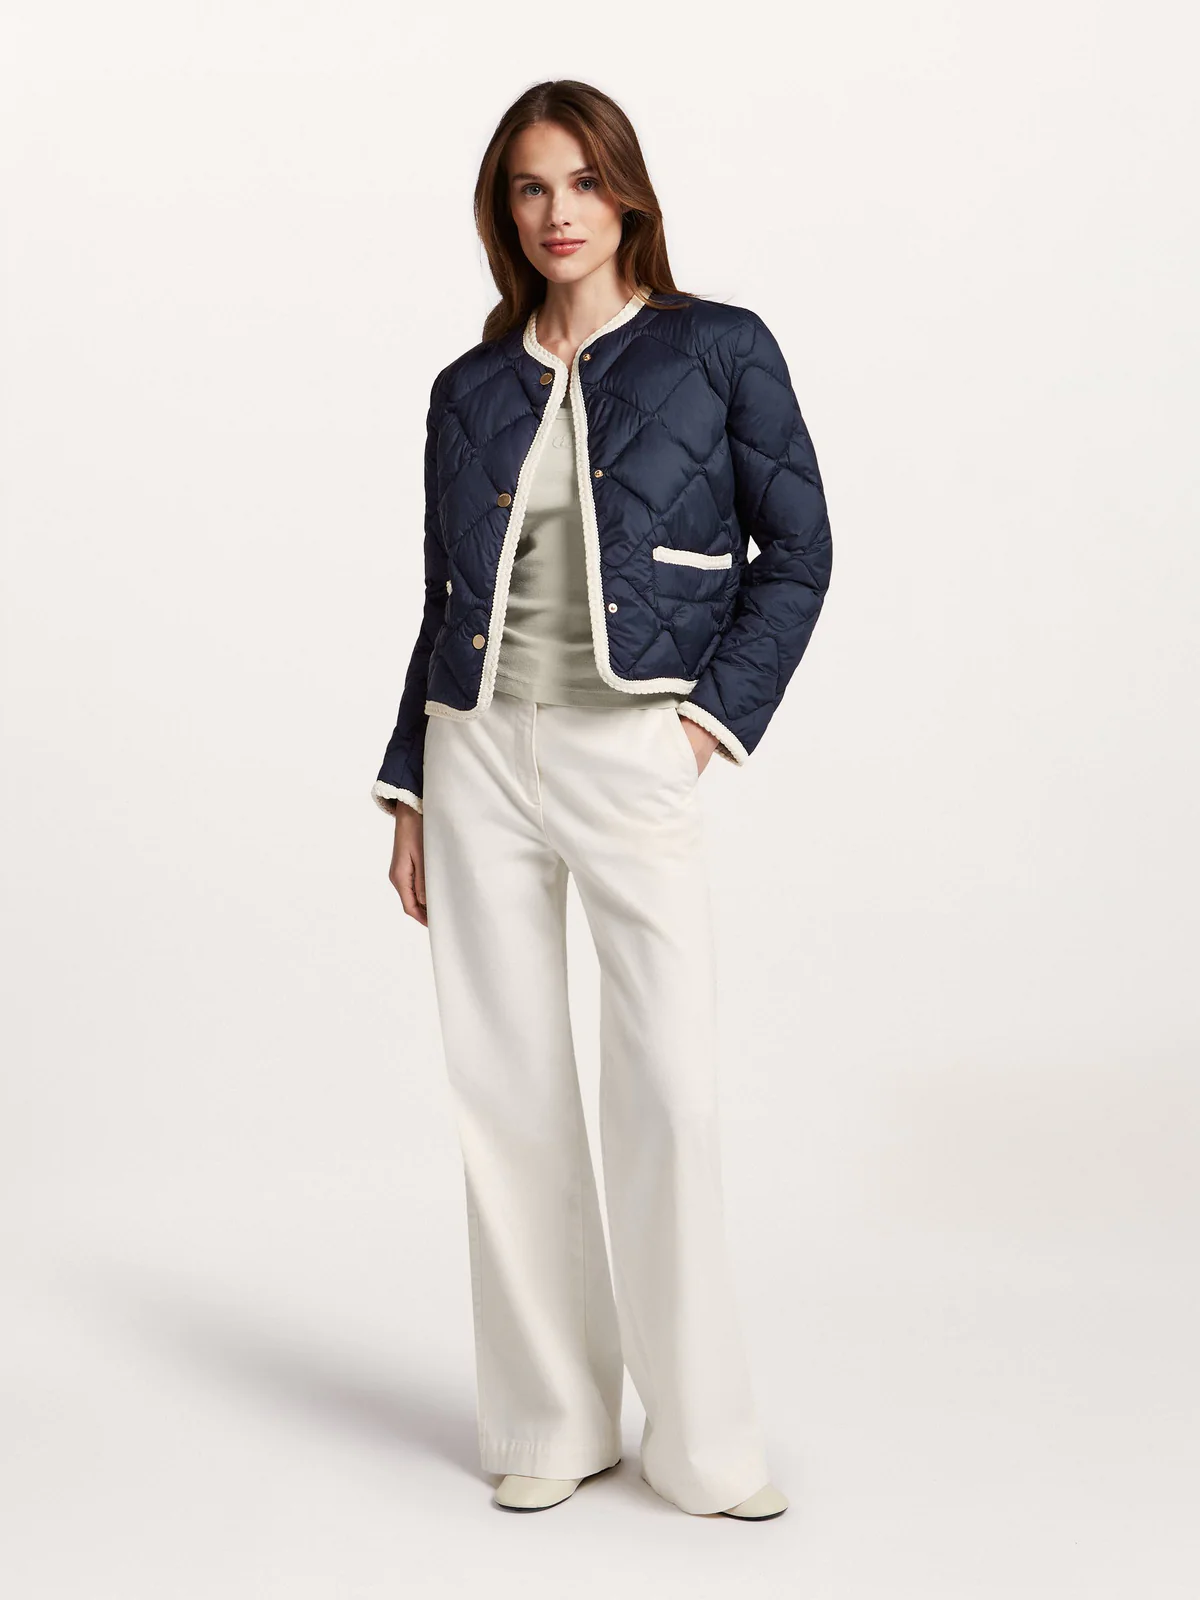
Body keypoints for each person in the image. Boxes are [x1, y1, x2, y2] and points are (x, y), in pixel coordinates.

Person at [371, 80, 833, 1520]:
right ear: (502, 211)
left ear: (626, 193)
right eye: (529, 187)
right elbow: (443, 602)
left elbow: (799, 553)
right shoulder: (467, 389)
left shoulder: (719, 349)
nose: (557, 211)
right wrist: (410, 790)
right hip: (479, 757)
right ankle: (550, 1421)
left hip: (633, 749)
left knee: (667, 1093)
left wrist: (699, 726)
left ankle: (704, 1445)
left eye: (581, 181)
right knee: (506, 1091)